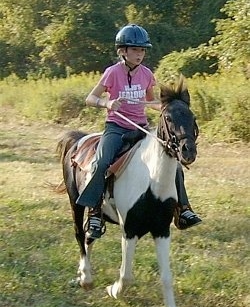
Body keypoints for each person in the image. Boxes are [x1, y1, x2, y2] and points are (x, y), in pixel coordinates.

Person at [76, 24, 202, 239]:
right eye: (135, 49)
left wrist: (166, 107)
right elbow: (90, 99)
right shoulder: (112, 73)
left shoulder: (146, 74)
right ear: (122, 51)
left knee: (174, 162)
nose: (139, 54)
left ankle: (183, 210)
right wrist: (107, 103)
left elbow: (150, 101)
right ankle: (95, 213)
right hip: (116, 128)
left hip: (141, 128)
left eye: (142, 50)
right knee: (101, 162)